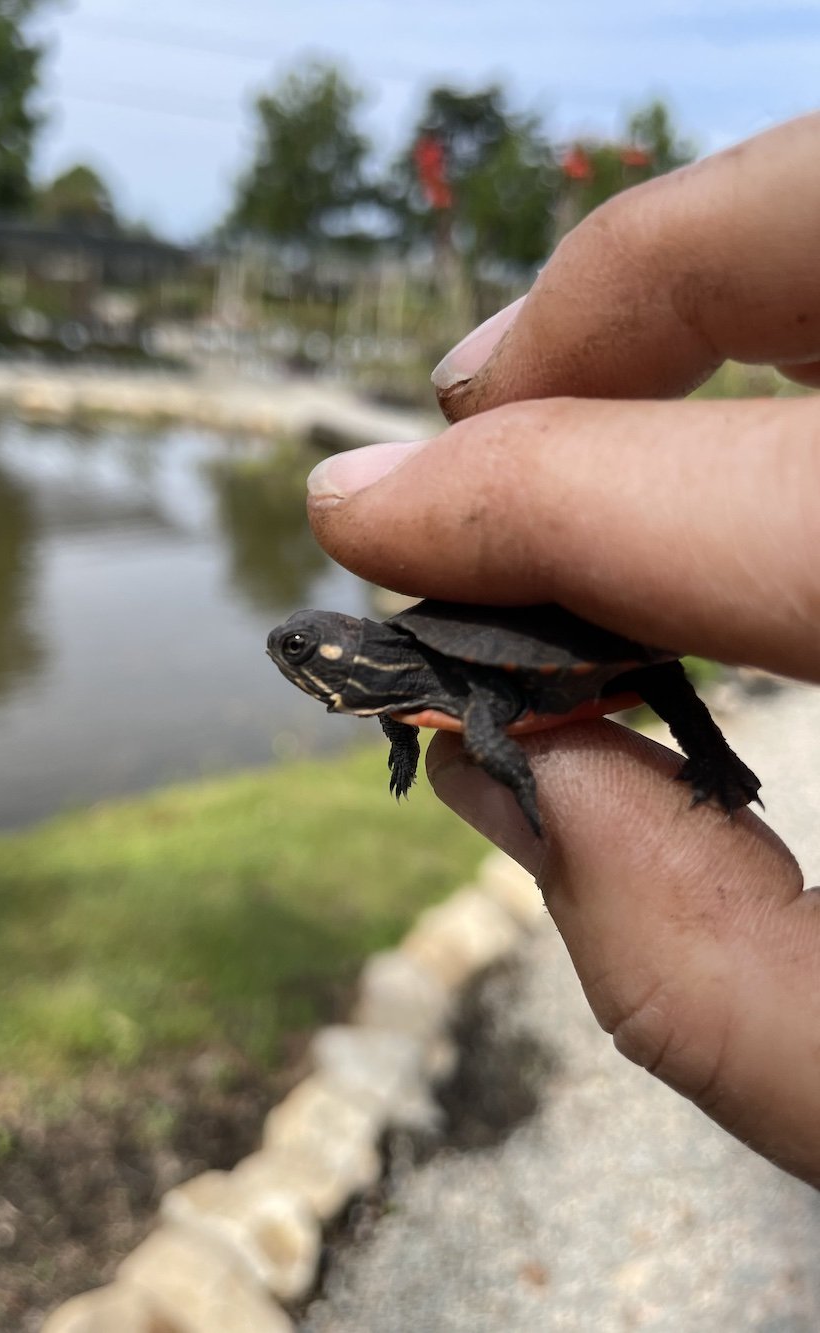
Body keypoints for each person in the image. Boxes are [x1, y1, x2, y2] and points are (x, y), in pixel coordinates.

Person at [305, 111, 820, 1188]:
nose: (305, 653)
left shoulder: (442, 681)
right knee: (553, 699)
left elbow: (482, 718)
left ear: (347, 653)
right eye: (311, 651)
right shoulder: (405, 675)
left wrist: (513, 784)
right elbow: (427, 697)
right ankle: (709, 763)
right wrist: (407, 741)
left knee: (656, 681)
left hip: (571, 659)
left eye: (312, 649)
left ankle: (717, 761)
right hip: (489, 668)